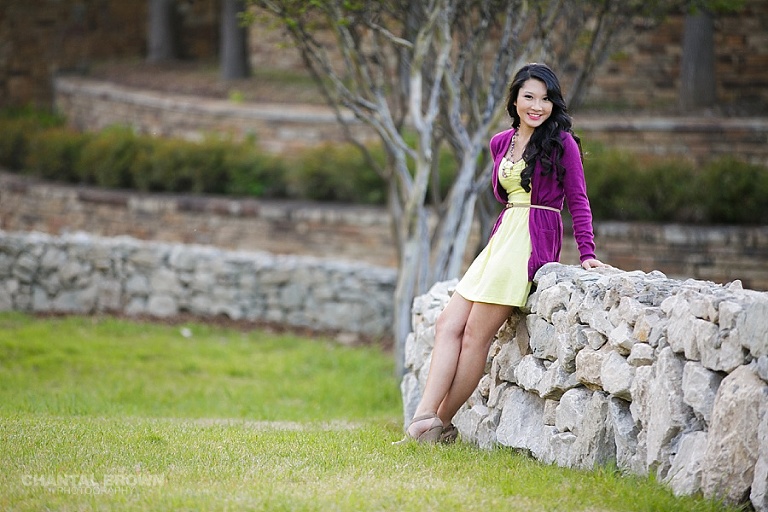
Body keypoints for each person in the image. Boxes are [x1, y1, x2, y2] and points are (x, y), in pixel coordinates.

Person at [397, 63, 604, 444]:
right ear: (515, 99)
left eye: (545, 99)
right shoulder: (500, 142)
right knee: (448, 324)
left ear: (553, 103)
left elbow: (578, 199)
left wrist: (587, 252)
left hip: (531, 238)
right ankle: (425, 416)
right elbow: (505, 197)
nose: (537, 106)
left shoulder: (563, 144)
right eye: (529, 97)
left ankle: (437, 423)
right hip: (501, 239)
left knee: (476, 334)